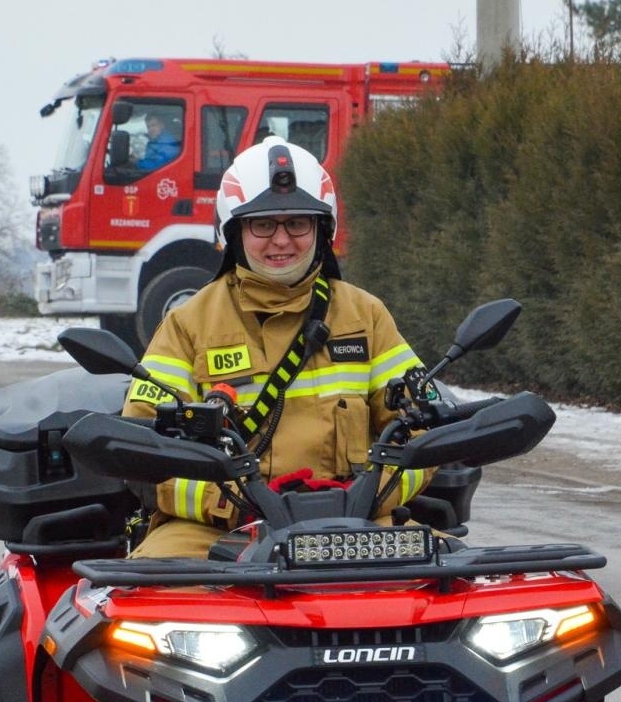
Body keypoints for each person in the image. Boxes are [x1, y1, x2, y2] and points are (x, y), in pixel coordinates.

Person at [123, 136, 428, 558]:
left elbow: (422, 435)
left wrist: (369, 494)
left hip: (357, 526)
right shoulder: (187, 323)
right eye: (263, 224)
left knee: (448, 592)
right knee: (150, 598)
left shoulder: (366, 316)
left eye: (297, 223)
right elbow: (142, 454)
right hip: (218, 531)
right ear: (234, 231)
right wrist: (228, 502)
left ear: (322, 229)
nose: (281, 240)